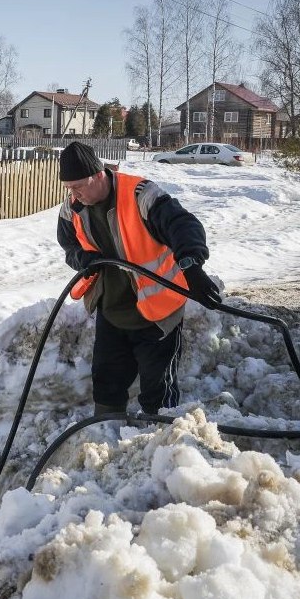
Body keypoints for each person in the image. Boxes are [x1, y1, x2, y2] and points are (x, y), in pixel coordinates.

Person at [55, 141, 221, 419]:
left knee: (158, 389)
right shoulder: (73, 206)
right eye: (69, 188)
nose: (74, 194)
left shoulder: (140, 195)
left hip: (157, 313)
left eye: (78, 186)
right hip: (112, 310)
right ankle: (105, 430)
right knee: (107, 383)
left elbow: (183, 225)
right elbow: (68, 244)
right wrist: (81, 258)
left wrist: (192, 265)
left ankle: (161, 432)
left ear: (98, 174)